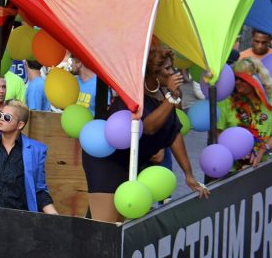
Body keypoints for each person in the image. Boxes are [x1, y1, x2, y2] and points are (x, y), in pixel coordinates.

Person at [82, 44, 207, 222]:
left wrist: (189, 175)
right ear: (154, 73)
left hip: (130, 162)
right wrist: (171, 98)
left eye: (173, 67)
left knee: (121, 221)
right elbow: (148, 127)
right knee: (108, 224)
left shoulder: (164, 94)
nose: (173, 72)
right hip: (107, 161)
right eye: (167, 68)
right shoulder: (133, 95)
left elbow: (174, 133)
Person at [217, 57, 272, 168]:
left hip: (259, 167)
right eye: (236, 78)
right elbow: (216, 132)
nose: (237, 82)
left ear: (257, 80)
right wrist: (235, 149)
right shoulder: (226, 101)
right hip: (228, 168)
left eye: (243, 79)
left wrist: (263, 148)